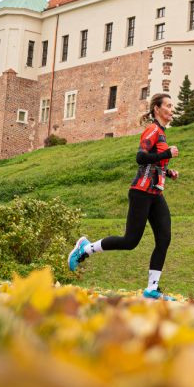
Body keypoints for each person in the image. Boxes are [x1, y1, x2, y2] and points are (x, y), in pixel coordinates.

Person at [68, 92, 180, 300]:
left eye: (172, 106)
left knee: (164, 238)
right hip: (141, 193)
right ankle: (86, 248)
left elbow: (153, 163)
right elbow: (141, 157)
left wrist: (168, 172)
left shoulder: (162, 133)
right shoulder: (152, 130)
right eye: (168, 105)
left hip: (155, 193)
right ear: (157, 109)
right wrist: (166, 154)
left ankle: (152, 289)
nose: (171, 109)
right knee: (130, 241)